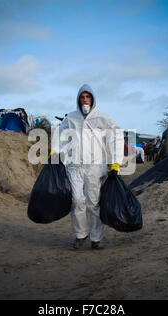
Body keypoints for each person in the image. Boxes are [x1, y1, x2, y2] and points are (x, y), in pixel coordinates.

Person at [50, 84, 124, 250]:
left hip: (95, 167)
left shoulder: (103, 118)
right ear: (78, 99)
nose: (85, 100)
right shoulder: (71, 118)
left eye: (88, 97)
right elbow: (60, 136)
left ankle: (96, 238)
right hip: (74, 166)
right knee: (77, 200)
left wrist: (116, 161)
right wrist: (56, 151)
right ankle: (80, 235)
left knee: (93, 203)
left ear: (93, 99)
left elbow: (116, 138)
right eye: (82, 97)